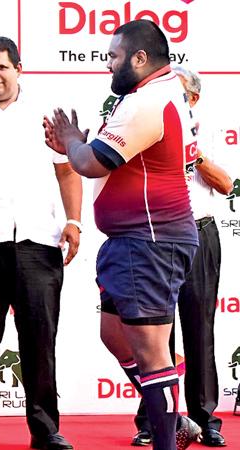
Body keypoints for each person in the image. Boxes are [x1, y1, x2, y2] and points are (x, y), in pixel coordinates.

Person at [44, 20, 204, 450]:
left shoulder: (147, 101)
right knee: (114, 335)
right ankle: (174, 418)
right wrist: (76, 145)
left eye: (114, 57)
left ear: (139, 58)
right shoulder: (155, 93)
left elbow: (93, 162)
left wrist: (73, 140)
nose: (109, 66)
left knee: (152, 352)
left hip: (149, 240)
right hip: (138, 240)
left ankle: (167, 437)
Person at [0, 36, 81, 450]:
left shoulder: (45, 116)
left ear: (19, 69)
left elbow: (67, 171)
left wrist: (74, 220)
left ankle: (45, 430)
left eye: (1, 67)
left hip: (38, 242)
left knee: (40, 340)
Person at [129, 66, 233, 448]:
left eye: (177, 90)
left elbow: (226, 184)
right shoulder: (147, 125)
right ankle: (153, 419)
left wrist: (194, 153)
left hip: (200, 233)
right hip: (157, 237)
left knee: (199, 327)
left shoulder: (209, 130)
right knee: (154, 332)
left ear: (193, 98)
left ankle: (206, 418)